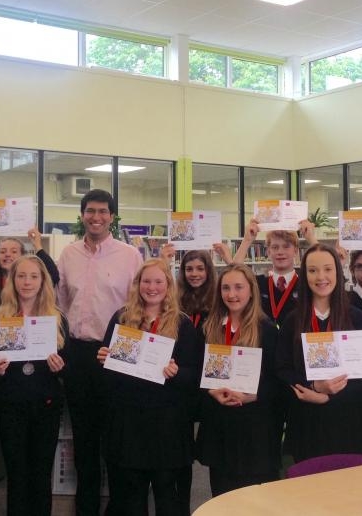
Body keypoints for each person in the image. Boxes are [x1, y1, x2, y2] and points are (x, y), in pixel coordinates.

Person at [56, 189, 143, 516]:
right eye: (90, 211)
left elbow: (138, 306)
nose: (96, 217)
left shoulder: (130, 255)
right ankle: (86, 508)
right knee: (85, 439)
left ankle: (119, 508)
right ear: (82, 215)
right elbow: (61, 303)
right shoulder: (68, 255)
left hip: (116, 353)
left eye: (103, 211)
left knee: (118, 439)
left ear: (112, 216)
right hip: (78, 355)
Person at [97, 259, 202, 515]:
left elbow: (195, 376)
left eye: (158, 281)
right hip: (128, 423)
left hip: (168, 427)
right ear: (137, 285)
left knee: (168, 497)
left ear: (168, 285)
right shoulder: (122, 318)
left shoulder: (182, 324)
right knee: (130, 497)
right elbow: (108, 378)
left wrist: (177, 373)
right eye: (146, 281)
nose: (152, 287)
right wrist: (104, 359)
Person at [0, 229, 60, 515]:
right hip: (11, 406)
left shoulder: (56, 319)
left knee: (40, 474)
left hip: (45, 406)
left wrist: (61, 367)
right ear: (12, 280)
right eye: (21, 276)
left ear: (42, 281)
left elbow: (68, 362)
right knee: (17, 475)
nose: (27, 282)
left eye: (33, 276)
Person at [277, 243, 362, 462]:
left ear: (338, 273)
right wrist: (313, 386)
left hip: (348, 421)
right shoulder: (293, 320)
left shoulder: (357, 318)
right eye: (312, 270)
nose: (321, 277)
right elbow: (282, 369)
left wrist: (327, 398)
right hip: (307, 422)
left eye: (328, 269)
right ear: (305, 275)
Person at [196, 264, 285, 496]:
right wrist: (210, 391)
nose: (231, 294)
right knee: (222, 496)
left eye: (238, 287)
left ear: (252, 291)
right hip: (221, 428)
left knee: (257, 500)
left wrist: (255, 395)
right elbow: (198, 373)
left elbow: (279, 381)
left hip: (255, 430)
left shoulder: (267, 329)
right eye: (225, 288)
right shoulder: (209, 328)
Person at [234, 219, 317, 330]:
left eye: (286, 246)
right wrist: (247, 240)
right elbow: (233, 274)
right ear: (268, 252)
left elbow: (330, 270)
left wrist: (311, 239)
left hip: (295, 345)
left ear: (296, 251)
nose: (280, 252)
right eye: (275, 247)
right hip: (264, 344)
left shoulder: (306, 284)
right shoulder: (258, 284)